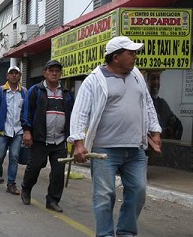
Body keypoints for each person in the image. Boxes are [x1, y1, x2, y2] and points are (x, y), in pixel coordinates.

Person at [69, 36, 162, 236]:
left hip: (135, 148)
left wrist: (155, 131)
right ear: (116, 57)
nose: (135, 57)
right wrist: (78, 143)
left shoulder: (137, 74)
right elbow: (80, 112)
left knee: (138, 191)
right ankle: (105, 234)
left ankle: (126, 232)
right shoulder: (94, 80)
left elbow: (147, 104)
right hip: (104, 150)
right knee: (104, 195)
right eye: (131, 53)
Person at [20, 60, 74, 213]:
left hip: (59, 140)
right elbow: (26, 112)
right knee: (34, 167)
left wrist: (73, 136)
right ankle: (26, 189)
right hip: (39, 139)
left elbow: (73, 114)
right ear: (44, 73)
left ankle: (52, 200)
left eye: (57, 70)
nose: (54, 73)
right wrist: (27, 131)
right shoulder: (35, 90)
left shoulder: (66, 93)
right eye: (51, 70)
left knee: (58, 173)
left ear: (61, 74)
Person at [0, 66, 27, 195]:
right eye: (12, 73)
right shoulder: (0, 91)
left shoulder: (24, 92)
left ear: (20, 76)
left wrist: (27, 129)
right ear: (7, 75)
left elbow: (26, 112)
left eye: (16, 73)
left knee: (14, 157)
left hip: (18, 131)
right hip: (2, 131)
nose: (14, 75)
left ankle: (11, 184)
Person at [146, 70, 182, 140]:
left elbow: (177, 125)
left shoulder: (162, 104)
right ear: (147, 81)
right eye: (153, 78)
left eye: (158, 78)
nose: (156, 82)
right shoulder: (141, 101)